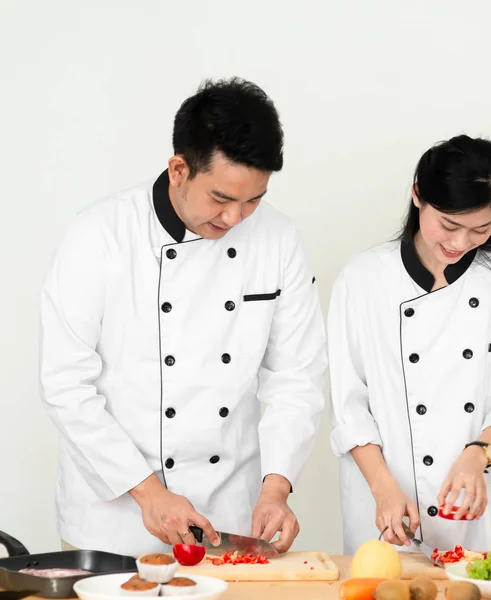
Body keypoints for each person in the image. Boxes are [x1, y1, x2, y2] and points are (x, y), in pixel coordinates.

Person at [39, 78, 327, 556]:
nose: (236, 218)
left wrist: (276, 488)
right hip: (114, 517)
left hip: (227, 515)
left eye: (253, 199)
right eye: (220, 198)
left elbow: (297, 376)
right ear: (178, 169)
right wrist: (148, 493)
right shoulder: (98, 237)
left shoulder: (278, 239)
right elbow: (66, 385)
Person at [328, 134, 491, 554]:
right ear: (417, 196)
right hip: (387, 506)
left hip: (482, 504)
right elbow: (349, 405)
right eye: (448, 225)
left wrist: (477, 455)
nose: (460, 243)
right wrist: (383, 488)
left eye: (481, 229)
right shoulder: (363, 279)